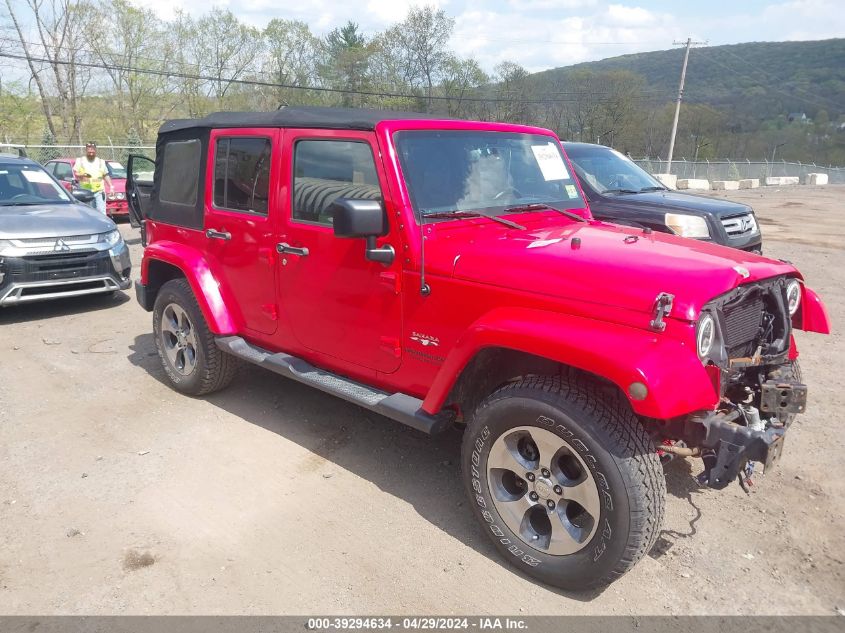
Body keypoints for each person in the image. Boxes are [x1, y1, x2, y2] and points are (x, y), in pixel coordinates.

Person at [73, 142, 113, 214]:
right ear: (86, 150)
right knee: (88, 212)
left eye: (93, 151)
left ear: (95, 150)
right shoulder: (80, 161)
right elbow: (76, 173)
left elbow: (105, 175)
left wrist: (111, 186)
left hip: (99, 191)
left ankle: (101, 225)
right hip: (85, 192)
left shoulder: (101, 162)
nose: (91, 152)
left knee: (101, 212)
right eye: (89, 151)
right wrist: (82, 175)